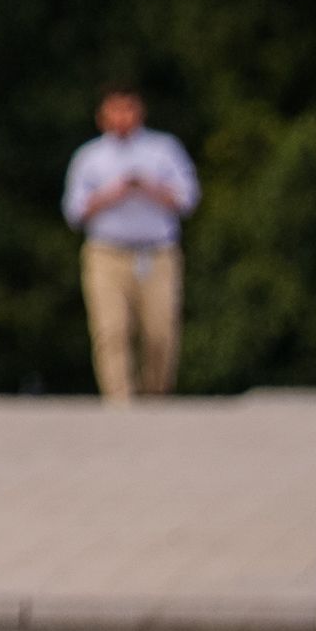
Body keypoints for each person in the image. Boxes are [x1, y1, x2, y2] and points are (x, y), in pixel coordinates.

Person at [61, 89, 199, 404]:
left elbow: (188, 199)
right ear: (103, 117)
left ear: (140, 113)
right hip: (107, 253)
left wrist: (149, 187)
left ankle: (155, 397)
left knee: (160, 333)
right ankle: (119, 401)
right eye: (115, 111)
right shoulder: (90, 157)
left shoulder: (163, 150)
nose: (122, 118)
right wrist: (113, 193)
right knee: (111, 330)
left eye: (128, 110)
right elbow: (74, 211)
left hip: (157, 253)